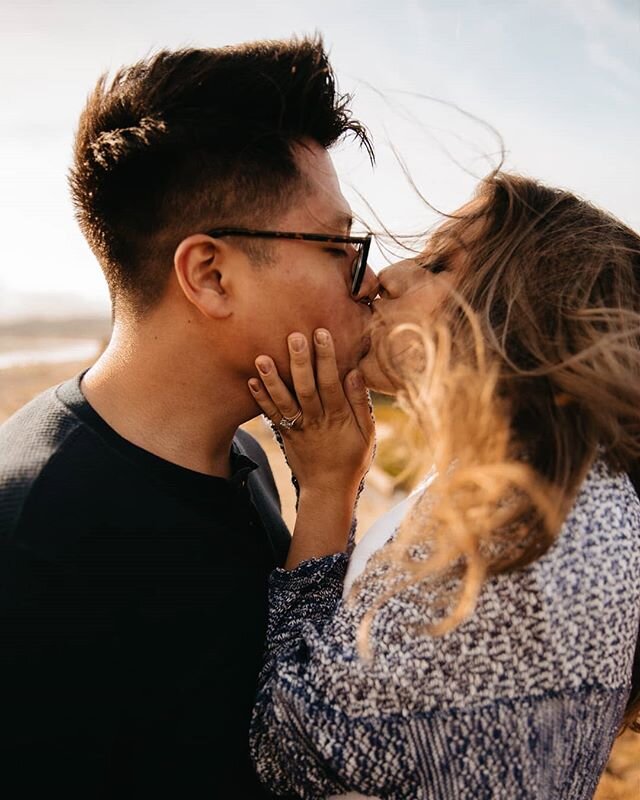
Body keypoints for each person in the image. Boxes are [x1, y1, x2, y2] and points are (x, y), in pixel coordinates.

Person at [0, 37, 378, 798]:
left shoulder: (241, 453)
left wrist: (329, 492)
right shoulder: (32, 543)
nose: (369, 281)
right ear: (210, 275)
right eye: (340, 246)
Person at [248, 172, 640, 799]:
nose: (386, 278)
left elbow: (292, 746)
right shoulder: (573, 485)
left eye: (437, 264)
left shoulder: (516, 526)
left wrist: (326, 487)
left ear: (527, 309)